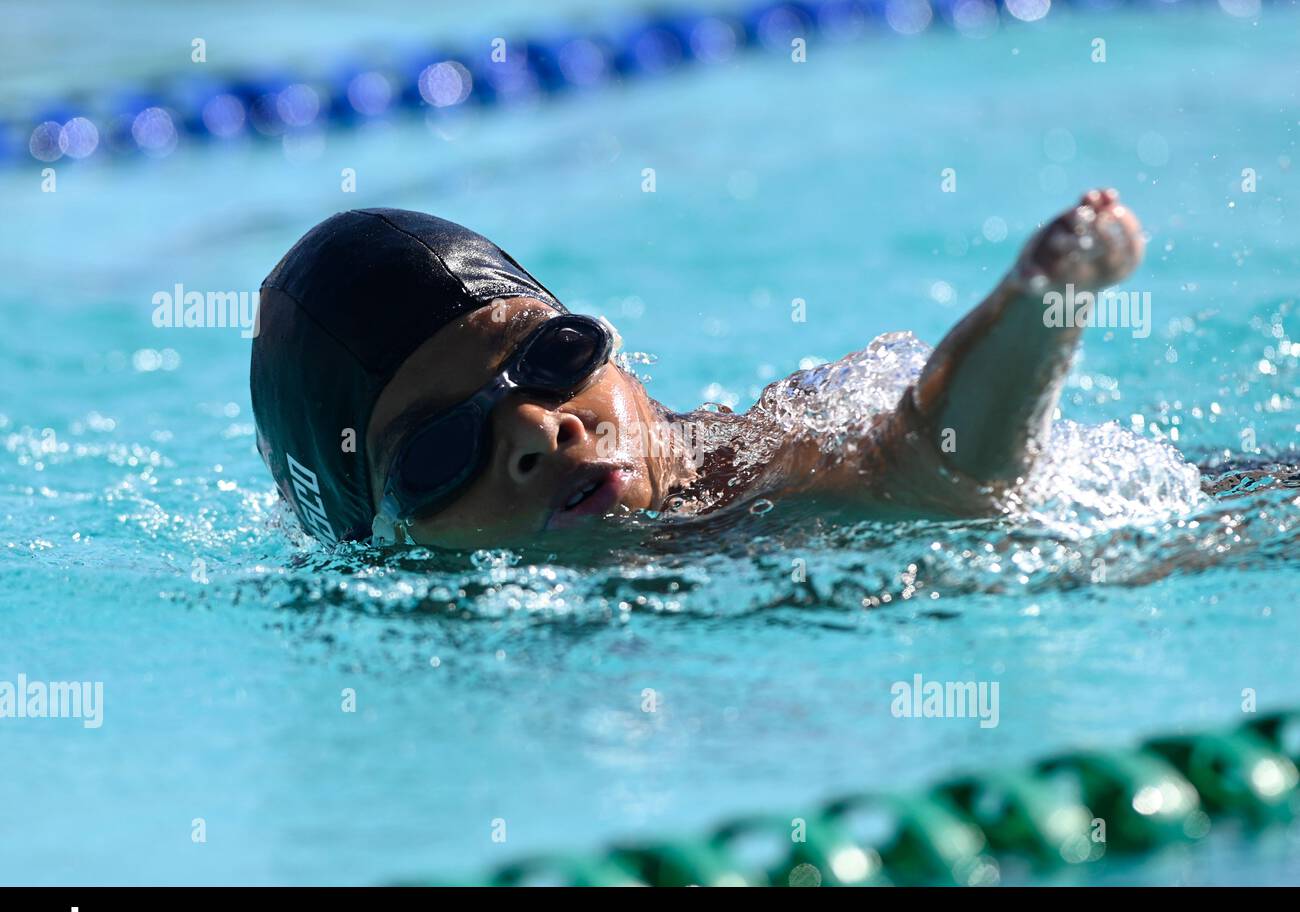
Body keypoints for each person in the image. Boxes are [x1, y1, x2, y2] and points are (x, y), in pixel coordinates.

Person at [251, 191, 1147, 550]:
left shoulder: (758, 470)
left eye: (549, 357)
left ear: (621, 360)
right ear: (377, 538)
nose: (537, 429)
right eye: (439, 449)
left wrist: (1037, 308)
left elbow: (955, 472)